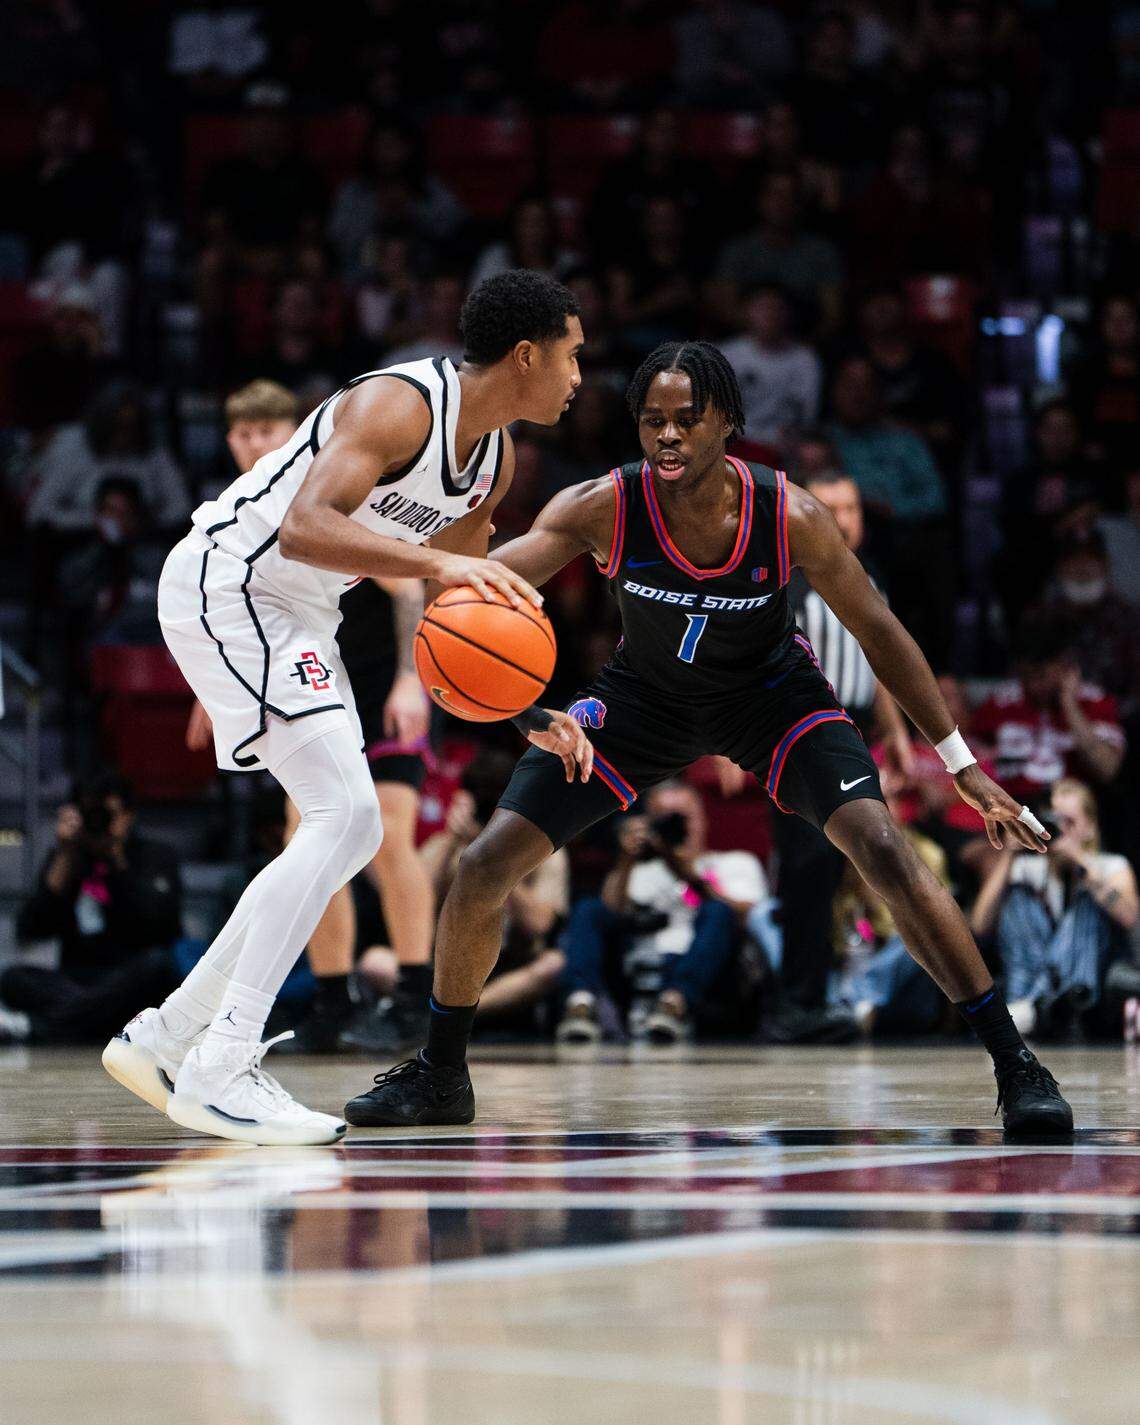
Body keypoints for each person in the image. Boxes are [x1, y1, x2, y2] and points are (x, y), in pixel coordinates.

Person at [346, 339, 1072, 1137]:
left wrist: (961, 764)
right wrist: (523, 709)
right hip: (639, 702)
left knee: (886, 848)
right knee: (485, 863)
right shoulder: (602, 506)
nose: (667, 435)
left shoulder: (789, 514)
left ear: (728, 422)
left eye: (687, 420)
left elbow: (878, 629)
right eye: (652, 420)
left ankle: (1017, 1063)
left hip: (769, 697)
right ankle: (442, 1072)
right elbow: (468, 603)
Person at [101, 270, 591, 1146]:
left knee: (353, 825)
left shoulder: (495, 458)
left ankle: (169, 1035)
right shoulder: (398, 405)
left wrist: (526, 707)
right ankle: (220, 1063)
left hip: (301, 613)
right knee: (348, 814)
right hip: (234, 580)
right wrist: (439, 564)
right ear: (527, 355)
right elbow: (304, 526)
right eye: (572, 354)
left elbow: (462, 622)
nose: (580, 375)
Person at [193, 381, 438, 1056]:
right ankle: (332, 999)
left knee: (388, 834)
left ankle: (418, 997)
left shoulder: (333, 489)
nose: (255, 444)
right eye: (242, 433)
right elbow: (231, 609)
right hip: (310, 684)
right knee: (309, 837)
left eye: (269, 430)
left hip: (384, 681)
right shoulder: (242, 513)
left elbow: (406, 586)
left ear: (295, 434)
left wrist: (411, 680)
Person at [767, 467, 914, 1042]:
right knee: (804, 871)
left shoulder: (868, 582)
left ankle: (817, 995)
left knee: (834, 871)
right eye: (829, 508)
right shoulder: (785, 583)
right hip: (796, 731)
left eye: (850, 508)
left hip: (850, 730)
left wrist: (895, 732)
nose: (842, 520)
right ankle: (794, 1003)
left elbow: (880, 660)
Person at [558, 780, 764, 1045]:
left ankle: (674, 1003)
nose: (676, 826)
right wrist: (626, 860)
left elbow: (748, 918)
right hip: (637, 966)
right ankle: (581, 1004)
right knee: (588, 908)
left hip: (710, 977)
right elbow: (608, 913)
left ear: (703, 819)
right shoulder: (640, 872)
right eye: (663, 819)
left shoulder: (734, 863)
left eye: (683, 818)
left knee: (718, 911)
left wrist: (686, 873)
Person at [4, 775, 181, 1044]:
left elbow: (161, 928)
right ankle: (97, 1022)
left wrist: (117, 860)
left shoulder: (155, 856)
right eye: (90, 813)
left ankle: (41, 1028)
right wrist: (65, 855)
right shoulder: (68, 857)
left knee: (158, 965)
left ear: (129, 816)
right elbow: (31, 926)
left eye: (108, 813)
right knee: (13, 978)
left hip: (132, 977)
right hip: (77, 979)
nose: (99, 821)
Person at [970, 779, 1138, 1037]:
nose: (1060, 829)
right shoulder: (1027, 870)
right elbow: (979, 926)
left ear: (1090, 827)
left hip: (1087, 984)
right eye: (1053, 820)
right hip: (1033, 979)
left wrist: (1081, 865)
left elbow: (1130, 919)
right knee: (1018, 896)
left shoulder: (1109, 866)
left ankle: (1064, 1004)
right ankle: (1036, 1005)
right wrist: (1009, 855)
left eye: (1069, 822)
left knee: (1089, 903)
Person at [421, 750, 569, 1034]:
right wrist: (454, 842)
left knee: (553, 964)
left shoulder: (544, 849)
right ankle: (448, 1014)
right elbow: (413, 910)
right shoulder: (444, 844)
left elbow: (540, 924)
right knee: (378, 962)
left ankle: (450, 1020)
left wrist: (496, 862)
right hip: (446, 963)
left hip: (511, 964)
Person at [971, 618, 1126, 804]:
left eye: (1040, 676)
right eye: (1026, 676)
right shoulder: (1000, 703)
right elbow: (970, 756)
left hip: (1073, 811)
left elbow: (1108, 769)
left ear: (1065, 666)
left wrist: (1069, 705)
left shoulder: (1095, 703)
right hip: (1013, 811)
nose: (1033, 685)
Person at [720, 285, 822, 454]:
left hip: (786, 448)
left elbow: (807, 416)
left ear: (789, 314)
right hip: (735, 444)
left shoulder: (805, 359)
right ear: (746, 311)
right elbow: (717, 416)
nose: (770, 314)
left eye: (778, 308)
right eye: (763, 307)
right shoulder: (726, 355)